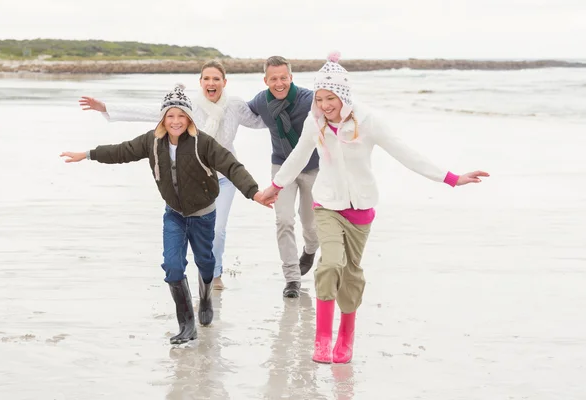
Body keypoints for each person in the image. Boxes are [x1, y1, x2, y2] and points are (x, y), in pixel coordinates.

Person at [261, 52, 489, 364]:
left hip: (361, 210)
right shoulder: (315, 125)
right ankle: (322, 339)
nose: (325, 105)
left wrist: (450, 178)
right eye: (320, 98)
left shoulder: (367, 122)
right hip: (327, 205)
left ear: (344, 96)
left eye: (331, 98)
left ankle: (346, 336)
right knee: (329, 266)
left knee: (351, 274)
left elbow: (404, 152)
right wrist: (274, 188)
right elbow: (298, 157)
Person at [61, 85, 276, 345]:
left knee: (205, 261)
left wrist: (254, 193)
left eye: (181, 116)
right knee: (173, 267)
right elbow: (122, 151)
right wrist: (87, 154)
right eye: (170, 116)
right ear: (163, 118)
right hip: (174, 214)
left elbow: (231, 166)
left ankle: (206, 296)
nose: (176, 121)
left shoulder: (203, 143)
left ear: (188, 118)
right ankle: (187, 325)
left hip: (203, 214)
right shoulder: (152, 141)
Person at [79, 60, 267, 291]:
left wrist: (292, 118)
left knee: (217, 229)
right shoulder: (189, 107)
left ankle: (213, 275)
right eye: (206, 78)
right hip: (194, 180)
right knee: (187, 238)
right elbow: (151, 114)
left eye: (216, 79)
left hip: (225, 176)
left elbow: (259, 120)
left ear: (224, 82)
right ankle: (195, 277)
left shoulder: (235, 106)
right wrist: (107, 108)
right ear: (200, 82)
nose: (211, 83)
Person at [247, 56, 319, 298]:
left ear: (291, 77)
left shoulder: (309, 100)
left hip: (313, 168)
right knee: (284, 220)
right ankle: (292, 279)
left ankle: (310, 250)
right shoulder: (261, 101)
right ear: (265, 80)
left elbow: (336, 112)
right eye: (273, 79)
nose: (279, 84)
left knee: (310, 222)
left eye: (283, 78)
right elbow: (238, 113)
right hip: (281, 168)